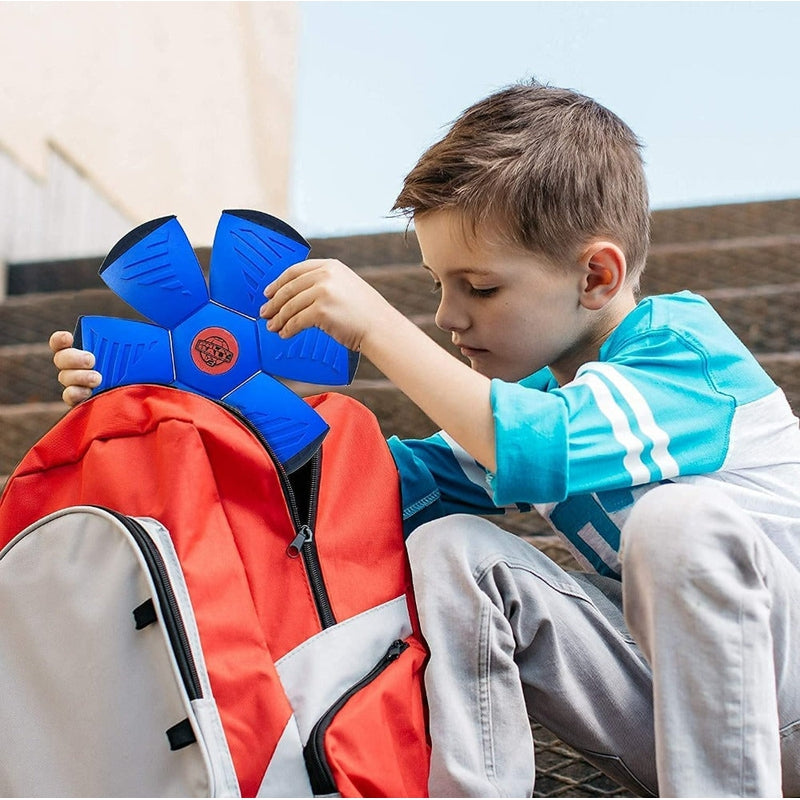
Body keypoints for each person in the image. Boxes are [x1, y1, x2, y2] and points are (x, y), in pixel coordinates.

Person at [51, 80, 800, 797]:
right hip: (673, 720)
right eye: (436, 285)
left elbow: (536, 447)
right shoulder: (536, 398)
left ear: (596, 277)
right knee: (450, 547)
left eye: (479, 288)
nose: (447, 316)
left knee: (679, 524)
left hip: (782, 702)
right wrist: (176, 392)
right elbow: (373, 484)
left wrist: (377, 326)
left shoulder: (684, 356)